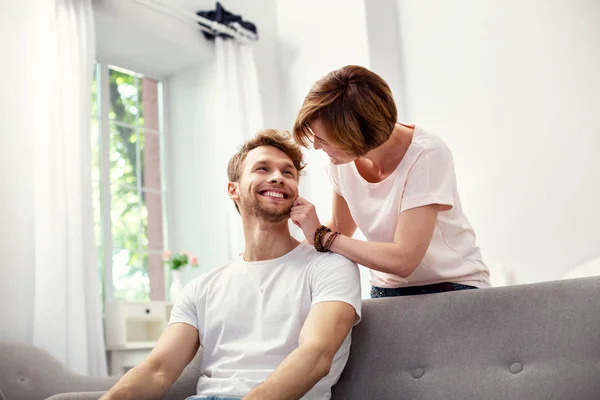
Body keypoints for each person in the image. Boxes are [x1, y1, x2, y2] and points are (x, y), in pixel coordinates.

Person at [100, 129, 361, 400]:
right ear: (232, 189)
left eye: (288, 173)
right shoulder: (202, 288)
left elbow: (316, 356)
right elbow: (157, 370)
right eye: (262, 168)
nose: (277, 177)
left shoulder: (330, 267)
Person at [290, 65, 490, 298]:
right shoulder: (341, 160)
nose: (315, 146)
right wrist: (285, 256)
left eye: (323, 139)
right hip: (388, 288)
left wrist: (322, 236)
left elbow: (404, 260)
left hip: (453, 285)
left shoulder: (425, 154)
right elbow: (340, 226)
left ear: (355, 137)